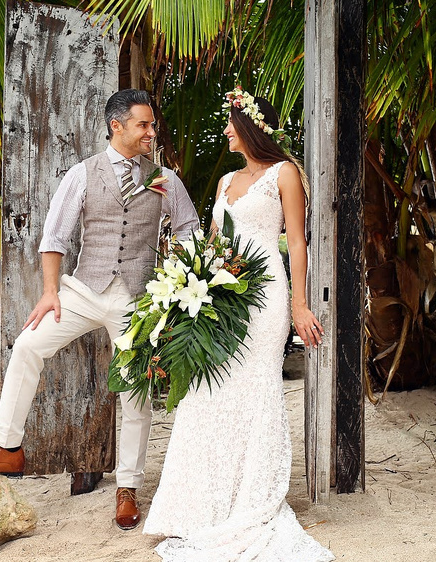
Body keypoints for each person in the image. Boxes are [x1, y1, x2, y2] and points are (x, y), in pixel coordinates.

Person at [0, 89, 200, 531]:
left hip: (138, 298)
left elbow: (189, 229)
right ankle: (7, 447)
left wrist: (177, 279)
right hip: (85, 290)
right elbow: (55, 237)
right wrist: (51, 291)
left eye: (152, 125)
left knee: (134, 391)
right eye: (143, 125)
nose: (151, 132)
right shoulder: (83, 174)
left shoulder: (165, 179)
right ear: (117, 126)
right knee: (27, 345)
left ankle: (128, 487)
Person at [142, 88, 334, 560]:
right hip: (223, 297)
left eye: (230, 123)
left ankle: (251, 497)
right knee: (209, 392)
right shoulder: (227, 179)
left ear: (250, 127)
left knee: (255, 390)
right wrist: (185, 287)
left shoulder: (285, 173)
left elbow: (296, 245)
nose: (226, 130)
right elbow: (211, 244)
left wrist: (298, 306)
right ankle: (203, 502)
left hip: (265, 297)